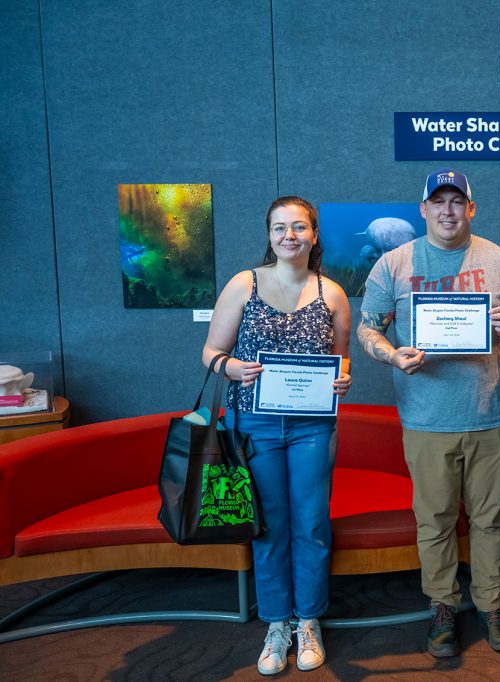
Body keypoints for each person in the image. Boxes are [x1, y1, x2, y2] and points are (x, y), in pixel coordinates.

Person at [356, 168, 500, 658]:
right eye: (438, 202)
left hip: (489, 418)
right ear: (423, 209)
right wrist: (391, 354)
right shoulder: (393, 264)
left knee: (491, 522)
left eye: (458, 201)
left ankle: (491, 604)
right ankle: (441, 607)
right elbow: (367, 329)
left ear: (471, 208)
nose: (448, 211)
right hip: (426, 421)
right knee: (434, 522)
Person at [202, 196, 351, 676]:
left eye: (299, 227)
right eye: (280, 228)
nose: (290, 236)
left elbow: (342, 358)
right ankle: (276, 623)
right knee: (269, 525)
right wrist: (232, 367)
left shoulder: (332, 293)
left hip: (312, 426)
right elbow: (210, 352)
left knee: (310, 523)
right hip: (254, 423)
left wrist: (342, 378)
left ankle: (308, 620)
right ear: (269, 235)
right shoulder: (243, 285)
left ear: (314, 234)